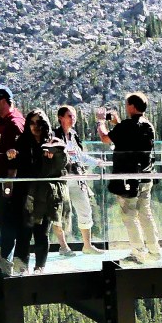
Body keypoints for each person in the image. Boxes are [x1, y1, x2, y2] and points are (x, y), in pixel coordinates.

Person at [98, 92, 159, 266]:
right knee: (145, 214)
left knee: (129, 214)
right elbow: (130, 138)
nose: (126, 107)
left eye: (127, 104)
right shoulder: (148, 126)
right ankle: (154, 251)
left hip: (128, 178)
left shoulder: (126, 126)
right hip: (146, 176)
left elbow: (105, 138)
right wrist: (117, 124)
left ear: (132, 106)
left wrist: (101, 122)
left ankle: (138, 253)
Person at [7, 109, 66, 273]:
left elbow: (63, 152)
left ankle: (40, 267)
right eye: (32, 122)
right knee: (23, 233)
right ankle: (21, 267)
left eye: (39, 122)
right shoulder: (22, 142)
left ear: (45, 124)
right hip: (24, 194)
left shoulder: (52, 142)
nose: (36, 126)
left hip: (44, 195)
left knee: (41, 233)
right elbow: (14, 163)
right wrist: (12, 155)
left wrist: (53, 152)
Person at [0, 85, 27, 275]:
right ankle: (3, 260)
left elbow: (16, 157)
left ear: (2, 100)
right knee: (3, 221)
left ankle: (5, 261)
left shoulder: (14, 123)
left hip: (8, 184)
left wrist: (9, 183)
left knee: (8, 221)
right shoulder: (2, 121)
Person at [53, 105, 100, 257]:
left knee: (85, 208)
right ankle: (63, 246)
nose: (73, 119)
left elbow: (80, 156)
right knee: (61, 212)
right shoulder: (53, 135)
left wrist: (96, 162)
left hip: (77, 178)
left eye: (74, 116)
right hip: (61, 179)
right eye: (69, 116)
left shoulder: (74, 136)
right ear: (61, 118)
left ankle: (87, 245)